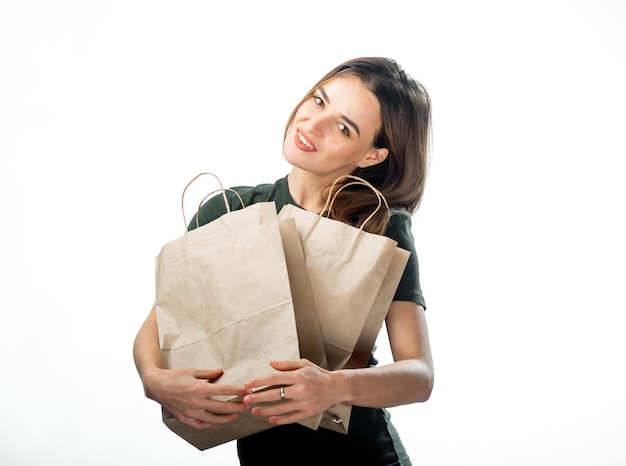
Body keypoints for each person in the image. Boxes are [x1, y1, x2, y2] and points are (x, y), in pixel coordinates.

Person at [133, 56, 434, 465]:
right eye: (318, 101)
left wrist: (332, 387)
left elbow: (419, 375)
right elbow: (154, 330)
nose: (312, 124)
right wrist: (155, 380)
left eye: (344, 127)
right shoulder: (226, 210)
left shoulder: (379, 225)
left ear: (372, 156)